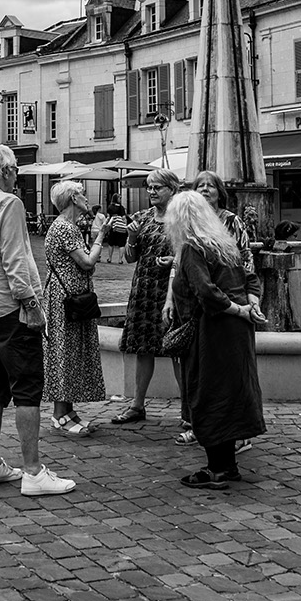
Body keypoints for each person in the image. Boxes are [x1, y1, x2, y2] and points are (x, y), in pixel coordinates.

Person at [0, 144, 75, 497]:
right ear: (7, 171)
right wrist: (30, 303)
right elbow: (15, 260)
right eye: (15, 172)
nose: (17, 178)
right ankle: (33, 470)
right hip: (12, 307)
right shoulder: (8, 204)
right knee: (27, 387)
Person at [164, 191, 267, 490]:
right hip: (237, 330)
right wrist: (251, 307)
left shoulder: (193, 248)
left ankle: (217, 469)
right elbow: (250, 278)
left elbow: (205, 292)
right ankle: (229, 466)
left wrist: (238, 310)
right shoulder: (224, 243)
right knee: (232, 391)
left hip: (213, 330)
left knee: (208, 394)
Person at [180, 172, 260, 447]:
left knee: (216, 381)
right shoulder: (204, 238)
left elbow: (210, 287)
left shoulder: (215, 232)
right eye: (199, 185)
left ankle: (224, 443)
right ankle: (223, 434)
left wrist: (244, 305)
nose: (204, 189)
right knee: (231, 379)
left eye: (210, 185)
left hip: (220, 316)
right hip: (231, 314)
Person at [112, 168, 181, 426]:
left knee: (176, 347)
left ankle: (189, 410)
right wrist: (131, 235)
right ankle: (137, 405)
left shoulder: (181, 219)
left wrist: (174, 261)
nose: (151, 192)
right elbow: (130, 257)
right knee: (143, 349)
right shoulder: (141, 217)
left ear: (172, 189)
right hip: (144, 289)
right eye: (149, 187)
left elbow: (192, 253)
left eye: (157, 187)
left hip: (172, 291)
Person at [42, 179, 107, 438]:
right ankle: (60, 414)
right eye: (81, 194)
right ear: (72, 199)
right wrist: (101, 236)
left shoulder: (67, 226)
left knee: (68, 350)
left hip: (67, 296)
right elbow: (87, 262)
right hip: (66, 298)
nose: (86, 197)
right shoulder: (65, 228)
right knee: (65, 350)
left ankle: (67, 411)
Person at [99, 196, 129, 264]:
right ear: (117, 199)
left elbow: (108, 217)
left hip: (113, 226)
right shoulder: (121, 207)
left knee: (111, 243)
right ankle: (120, 260)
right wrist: (125, 224)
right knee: (122, 244)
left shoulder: (110, 207)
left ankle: (109, 258)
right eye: (120, 198)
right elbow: (124, 217)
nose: (120, 199)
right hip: (121, 228)